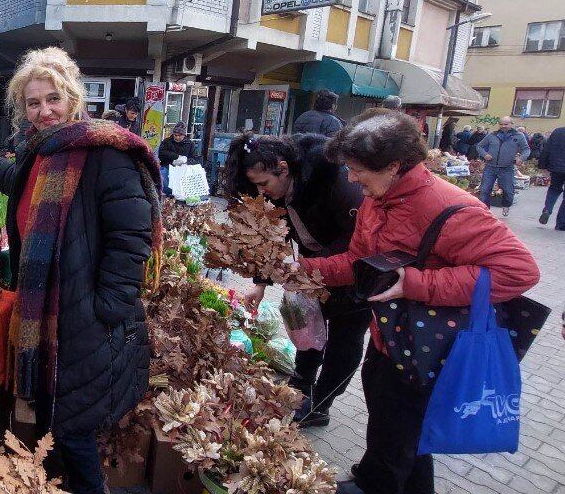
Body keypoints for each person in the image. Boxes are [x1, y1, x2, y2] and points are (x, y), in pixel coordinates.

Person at [300, 109, 539, 494]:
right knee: (399, 434)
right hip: (387, 339)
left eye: (358, 168)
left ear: (393, 165)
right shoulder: (377, 199)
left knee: (395, 438)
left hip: (426, 348)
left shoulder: (448, 207)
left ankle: (370, 484)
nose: (351, 177)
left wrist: (416, 282)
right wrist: (305, 268)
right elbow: (357, 264)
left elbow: (519, 271)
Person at [0, 47, 159, 494]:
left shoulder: (103, 153)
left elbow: (131, 237)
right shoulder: (41, 154)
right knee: (57, 423)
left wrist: (107, 307)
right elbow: (17, 181)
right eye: (33, 103)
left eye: (53, 99)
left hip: (84, 315)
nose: (44, 111)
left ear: (73, 98)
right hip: (54, 313)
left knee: (72, 432)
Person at [224, 132, 367, 429]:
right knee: (308, 328)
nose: (262, 191)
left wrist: (309, 266)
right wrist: (261, 284)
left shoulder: (333, 181)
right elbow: (275, 237)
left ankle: (322, 404)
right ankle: (301, 390)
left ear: (284, 168)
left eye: (264, 183)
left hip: (355, 273)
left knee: (344, 340)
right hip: (313, 267)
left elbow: (358, 241)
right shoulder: (281, 190)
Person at [476, 116, 530, 216]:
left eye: (506, 124)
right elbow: (479, 146)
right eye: (501, 124)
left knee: (508, 191)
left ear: (511, 124)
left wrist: (521, 158)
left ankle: (506, 205)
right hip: (490, 167)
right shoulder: (492, 135)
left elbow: (526, 149)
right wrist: (485, 154)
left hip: (507, 168)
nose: (503, 126)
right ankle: (485, 212)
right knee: (484, 190)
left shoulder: (519, 136)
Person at [157, 122, 201, 196]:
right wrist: (176, 157)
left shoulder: (190, 144)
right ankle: (169, 193)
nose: (177, 137)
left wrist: (185, 161)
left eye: (180, 135)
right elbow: (161, 154)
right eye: (175, 135)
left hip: (184, 169)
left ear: (184, 135)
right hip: (168, 166)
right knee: (162, 175)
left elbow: (195, 159)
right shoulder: (166, 141)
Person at [539, 126, 565, 230]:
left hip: (557, 167)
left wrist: (543, 165)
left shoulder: (558, 132)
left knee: (554, 189)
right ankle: (561, 224)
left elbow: (547, 149)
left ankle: (547, 209)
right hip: (557, 166)